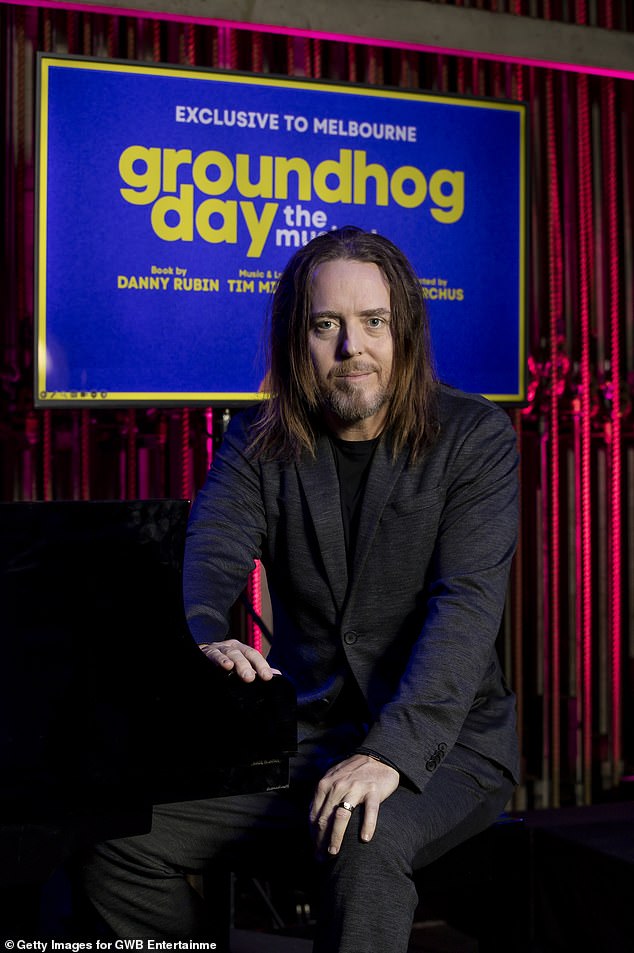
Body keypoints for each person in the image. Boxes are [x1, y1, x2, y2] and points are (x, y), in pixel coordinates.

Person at [83, 227, 519, 952]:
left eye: (373, 322)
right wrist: (204, 632)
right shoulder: (256, 437)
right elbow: (211, 552)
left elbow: (466, 607)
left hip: (445, 745)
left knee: (364, 844)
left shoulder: (474, 436)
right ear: (299, 339)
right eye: (328, 325)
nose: (353, 348)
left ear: (404, 328)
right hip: (307, 738)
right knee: (116, 845)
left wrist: (392, 753)